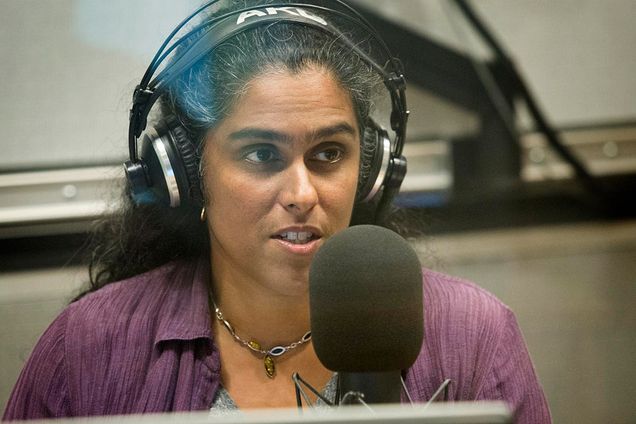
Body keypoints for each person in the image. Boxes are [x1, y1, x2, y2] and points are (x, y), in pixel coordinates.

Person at [3, 1, 550, 422]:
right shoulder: (87, 351)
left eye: (329, 154)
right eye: (262, 154)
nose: (302, 192)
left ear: (372, 171)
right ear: (188, 176)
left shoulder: (475, 338)